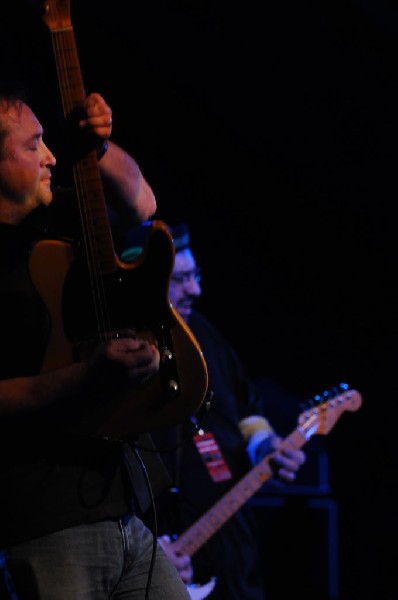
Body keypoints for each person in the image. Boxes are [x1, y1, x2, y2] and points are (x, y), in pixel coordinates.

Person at [0, 81, 192, 599]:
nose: (50, 155)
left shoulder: (57, 215)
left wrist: (99, 145)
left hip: (125, 509)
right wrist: (87, 378)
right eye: (31, 143)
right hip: (40, 519)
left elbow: (140, 204)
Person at [121, 222, 307, 600]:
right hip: (158, 546)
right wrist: (147, 547)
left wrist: (265, 446)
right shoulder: (120, 346)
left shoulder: (204, 332)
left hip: (229, 540)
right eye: (182, 279)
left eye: (196, 275)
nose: (196, 289)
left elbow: (246, 408)